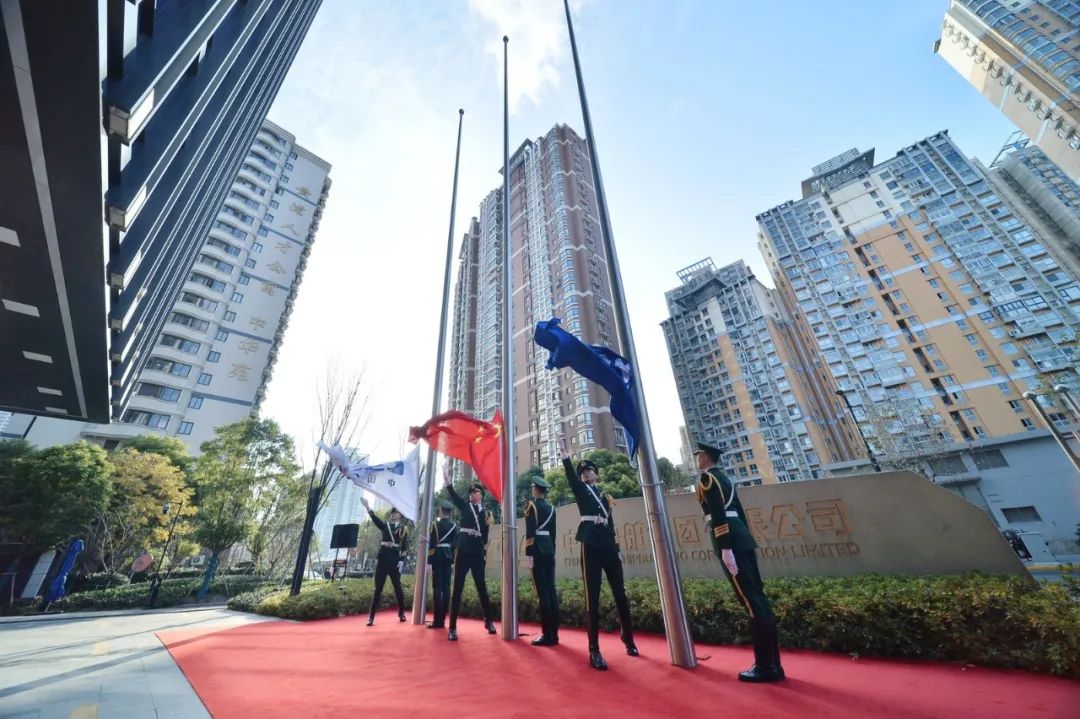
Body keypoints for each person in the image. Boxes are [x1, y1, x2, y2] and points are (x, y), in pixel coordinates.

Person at [693, 441, 784, 682]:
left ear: (707, 457)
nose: (696, 457)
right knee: (758, 600)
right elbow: (740, 514)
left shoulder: (708, 480)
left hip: (730, 541)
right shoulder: (725, 479)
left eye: (698, 454)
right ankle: (773, 663)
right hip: (741, 537)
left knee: (752, 603)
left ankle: (765, 666)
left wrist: (725, 548)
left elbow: (718, 514)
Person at [558, 435, 637, 670]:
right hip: (590, 543)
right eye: (583, 472)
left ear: (596, 474)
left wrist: (617, 549)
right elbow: (570, 476)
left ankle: (628, 637)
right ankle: (594, 649)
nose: (585, 473)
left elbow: (611, 524)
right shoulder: (581, 491)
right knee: (592, 596)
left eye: (589, 470)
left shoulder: (605, 496)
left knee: (620, 593)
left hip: (608, 544)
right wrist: (565, 456)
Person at [443, 473, 497, 640]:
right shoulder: (465, 506)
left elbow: (486, 535)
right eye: (471, 493)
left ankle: (489, 621)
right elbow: (454, 496)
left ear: (481, 495)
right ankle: (452, 627)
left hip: (477, 552)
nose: (472, 494)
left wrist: (484, 554)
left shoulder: (487, 513)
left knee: (482, 587)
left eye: (476, 492)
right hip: (463, 550)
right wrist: (448, 483)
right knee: (457, 588)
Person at [360, 498, 409, 626]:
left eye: (396, 512)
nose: (393, 514)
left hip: (394, 559)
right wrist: (368, 507)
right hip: (383, 558)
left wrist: (402, 560)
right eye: (393, 512)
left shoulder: (404, 529)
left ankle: (401, 613)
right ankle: (371, 617)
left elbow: (404, 547)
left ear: (400, 515)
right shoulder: (386, 525)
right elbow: (376, 520)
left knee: (398, 587)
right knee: (378, 589)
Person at [524, 476, 559, 646]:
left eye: (533, 488)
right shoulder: (552, 508)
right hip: (549, 550)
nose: (532, 490)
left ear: (536, 489)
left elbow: (530, 532)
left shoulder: (531, 506)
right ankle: (555, 634)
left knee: (542, 593)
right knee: (551, 591)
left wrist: (529, 554)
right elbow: (553, 534)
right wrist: (552, 550)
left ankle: (547, 635)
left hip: (537, 549)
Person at [426, 497, 458, 629]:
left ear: (441, 511)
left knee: (437, 589)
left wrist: (429, 562)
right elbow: (455, 546)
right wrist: (453, 561)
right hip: (448, 557)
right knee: (446, 589)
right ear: (449, 512)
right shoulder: (454, 526)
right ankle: (443, 620)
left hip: (437, 557)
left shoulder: (435, 525)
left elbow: (432, 544)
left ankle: (437, 621)